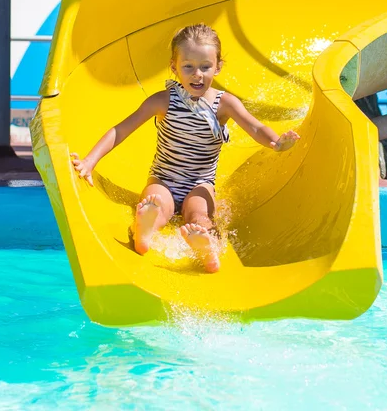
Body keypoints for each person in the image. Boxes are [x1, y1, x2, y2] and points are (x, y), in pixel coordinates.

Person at [70, 24, 300, 273]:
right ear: (174, 67)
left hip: (200, 183)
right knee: (157, 203)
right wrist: (90, 161)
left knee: (200, 216)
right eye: (188, 66)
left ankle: (206, 248)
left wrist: (276, 142)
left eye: (205, 67)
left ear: (218, 66)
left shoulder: (226, 104)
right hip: (164, 179)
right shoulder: (163, 101)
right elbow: (121, 130)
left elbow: (255, 127)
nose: (197, 74)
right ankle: (144, 232)